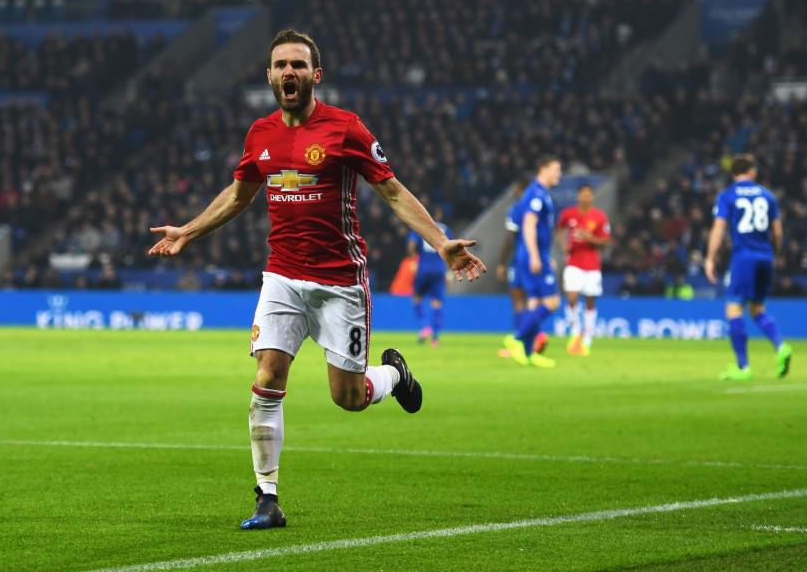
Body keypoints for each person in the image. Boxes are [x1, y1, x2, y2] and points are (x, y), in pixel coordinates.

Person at [147, 29, 487, 530]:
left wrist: (440, 241)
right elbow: (238, 195)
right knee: (267, 377)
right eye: (281, 65)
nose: (289, 72)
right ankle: (267, 498)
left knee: (347, 398)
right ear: (268, 75)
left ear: (315, 75)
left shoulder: (345, 129)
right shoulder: (260, 134)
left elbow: (392, 193)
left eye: (298, 65)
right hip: (282, 275)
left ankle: (393, 375)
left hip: (339, 281)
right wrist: (189, 232)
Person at [705, 154, 792, 381]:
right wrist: (774, 253)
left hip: (743, 257)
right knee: (758, 309)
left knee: (733, 309)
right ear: (752, 171)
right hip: (765, 257)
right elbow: (779, 232)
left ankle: (743, 368)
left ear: (734, 173)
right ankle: (781, 346)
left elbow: (718, 229)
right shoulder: (768, 195)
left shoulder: (728, 195)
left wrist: (710, 258)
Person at [503, 155, 562, 368]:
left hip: (532, 254)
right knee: (552, 302)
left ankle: (529, 353)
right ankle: (517, 337)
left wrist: (544, 256)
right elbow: (529, 224)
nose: (559, 174)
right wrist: (536, 255)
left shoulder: (537, 193)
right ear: (543, 169)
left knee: (535, 303)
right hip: (531, 255)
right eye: (556, 169)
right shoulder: (536, 193)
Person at [496, 174, 547, 357]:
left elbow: (510, 237)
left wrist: (502, 263)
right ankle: (532, 341)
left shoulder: (517, 208)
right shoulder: (540, 206)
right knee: (533, 300)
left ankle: (522, 341)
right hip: (538, 258)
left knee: (520, 302)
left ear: (520, 190)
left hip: (520, 260)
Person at [557, 183, 610, 356]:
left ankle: (587, 337)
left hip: (592, 264)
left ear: (592, 197)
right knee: (571, 296)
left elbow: (605, 240)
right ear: (578, 196)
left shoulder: (600, 216)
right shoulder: (568, 214)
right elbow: (560, 228)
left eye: (589, 194)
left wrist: (590, 238)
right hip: (573, 261)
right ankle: (575, 332)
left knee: (590, 301)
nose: (586, 197)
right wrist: (564, 244)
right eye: (583, 194)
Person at [407, 207, 452, 346]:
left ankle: (424, 326)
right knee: (437, 302)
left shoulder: (420, 226)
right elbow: (452, 249)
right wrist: (450, 272)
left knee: (417, 298)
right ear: (439, 215)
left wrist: (413, 259)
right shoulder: (445, 229)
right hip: (439, 269)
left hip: (424, 268)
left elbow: (411, 245)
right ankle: (436, 337)